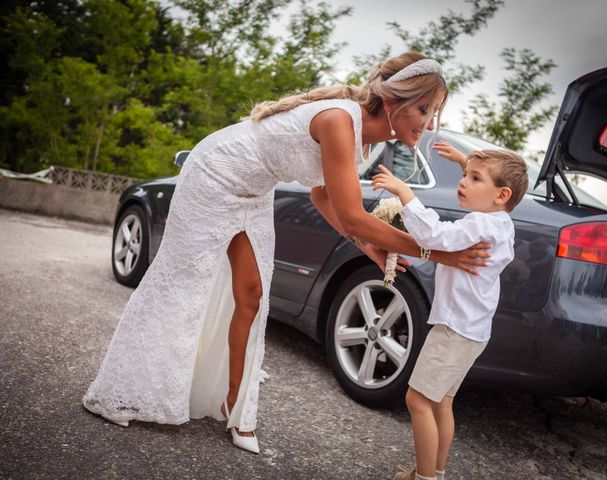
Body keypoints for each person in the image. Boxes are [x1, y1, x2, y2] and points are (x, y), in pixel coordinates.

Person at [82, 52, 490, 455]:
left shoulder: (364, 141)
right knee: (182, 283)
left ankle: (233, 405)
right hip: (214, 175)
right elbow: (351, 214)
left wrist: (367, 245)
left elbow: (321, 195)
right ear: (392, 101)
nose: (430, 123)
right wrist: (437, 253)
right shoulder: (338, 120)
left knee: (252, 296)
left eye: (434, 112)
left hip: (255, 191)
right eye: (424, 109)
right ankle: (124, 390)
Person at [371, 143, 528, 480]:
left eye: (474, 178)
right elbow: (486, 193)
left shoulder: (479, 225)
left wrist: (405, 194)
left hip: (454, 329)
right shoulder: (500, 223)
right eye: (466, 176)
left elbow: (435, 235)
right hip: (473, 331)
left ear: (501, 194)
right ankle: (435, 472)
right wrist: (466, 163)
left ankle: (425, 477)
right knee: (441, 401)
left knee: (417, 401)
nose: (463, 182)